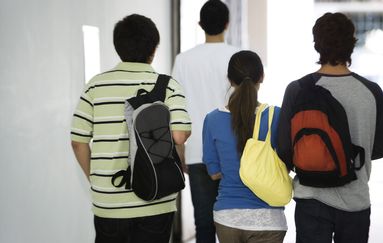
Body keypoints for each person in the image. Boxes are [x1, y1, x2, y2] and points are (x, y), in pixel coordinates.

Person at [70, 14, 191, 243]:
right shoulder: (169, 86)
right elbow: (179, 136)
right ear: (153, 49)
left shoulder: (95, 85)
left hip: (109, 201)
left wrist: (96, 180)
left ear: (118, 47)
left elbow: (78, 142)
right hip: (157, 198)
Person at [277, 12, 383, 243]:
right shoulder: (371, 91)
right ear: (352, 43)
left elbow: (283, 148)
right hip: (356, 201)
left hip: (311, 198)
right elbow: (382, 147)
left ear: (317, 44)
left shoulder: (298, 89)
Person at [171, 0, 239, 242]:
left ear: (200, 24)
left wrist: (180, 152)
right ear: (227, 24)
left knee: (203, 222)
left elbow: (175, 108)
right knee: (233, 222)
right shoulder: (236, 56)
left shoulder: (183, 60)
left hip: (196, 151)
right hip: (231, 152)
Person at [202, 50, 287, 243]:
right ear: (262, 77)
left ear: (230, 80)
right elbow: (286, 163)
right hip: (269, 219)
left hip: (227, 217)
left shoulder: (212, 120)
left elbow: (214, 173)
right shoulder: (276, 116)